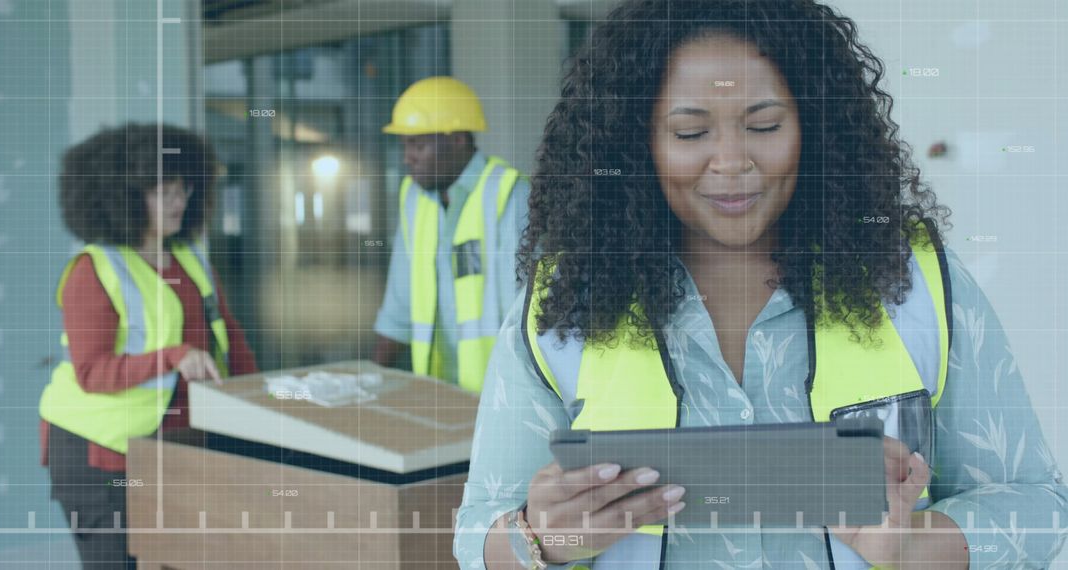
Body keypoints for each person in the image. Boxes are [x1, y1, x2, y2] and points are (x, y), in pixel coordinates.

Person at [454, 0, 1068, 568]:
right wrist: (541, 538)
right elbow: (475, 532)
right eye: (690, 133)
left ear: (814, 126)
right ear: (637, 143)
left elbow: (1039, 506)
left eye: (765, 125)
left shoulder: (915, 285)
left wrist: (916, 545)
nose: (731, 162)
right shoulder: (564, 306)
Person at [39, 123, 258, 569]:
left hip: (168, 445)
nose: (178, 202)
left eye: (183, 190)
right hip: (97, 451)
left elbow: (227, 334)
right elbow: (92, 373)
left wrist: (261, 396)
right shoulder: (93, 270)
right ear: (123, 196)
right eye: (163, 192)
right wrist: (174, 357)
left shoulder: (190, 257)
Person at [372, 76, 530, 393]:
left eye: (418, 145)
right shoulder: (414, 199)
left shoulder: (511, 196)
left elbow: (531, 317)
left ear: (457, 139)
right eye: (404, 145)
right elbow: (398, 310)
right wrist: (368, 383)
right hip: (439, 397)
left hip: (502, 398)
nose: (407, 158)